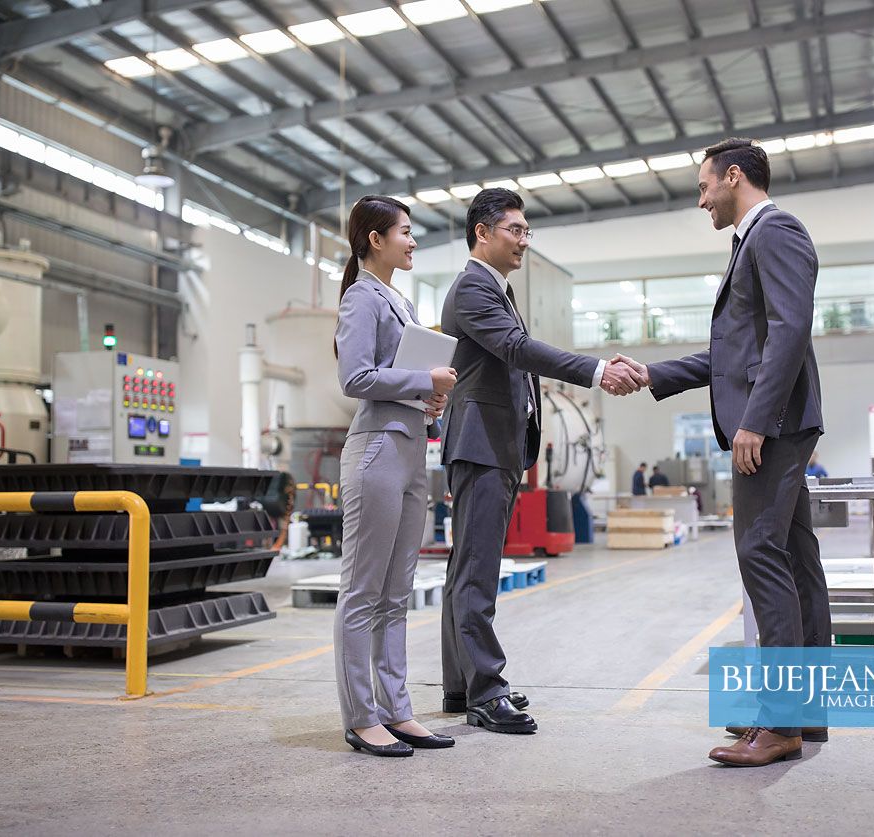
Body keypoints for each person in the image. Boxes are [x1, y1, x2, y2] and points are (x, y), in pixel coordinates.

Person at [613, 138, 827, 767]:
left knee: (761, 553)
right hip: (781, 420)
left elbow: (792, 330)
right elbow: (734, 356)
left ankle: (782, 721)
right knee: (794, 559)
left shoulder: (774, 232)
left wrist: (756, 422)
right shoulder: (751, 242)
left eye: (705, 184)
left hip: (776, 424)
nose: (701, 197)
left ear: (735, 176)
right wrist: (655, 374)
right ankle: (802, 714)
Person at [439, 187, 642, 734]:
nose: (524, 240)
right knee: (477, 573)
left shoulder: (495, 289)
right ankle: (485, 691)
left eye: (527, 231)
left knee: (467, 569)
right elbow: (517, 350)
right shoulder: (473, 289)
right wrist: (597, 371)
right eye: (515, 230)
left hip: (493, 445)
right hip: (481, 445)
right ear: (482, 233)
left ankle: (461, 686)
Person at [333, 195, 457, 758]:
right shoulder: (362, 297)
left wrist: (426, 397)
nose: (412, 241)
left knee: (396, 592)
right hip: (377, 451)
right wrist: (419, 378)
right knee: (364, 591)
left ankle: (397, 709)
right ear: (375, 239)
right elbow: (355, 377)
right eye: (404, 232)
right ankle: (362, 717)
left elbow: (399, 377)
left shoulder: (400, 301)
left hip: (410, 449)